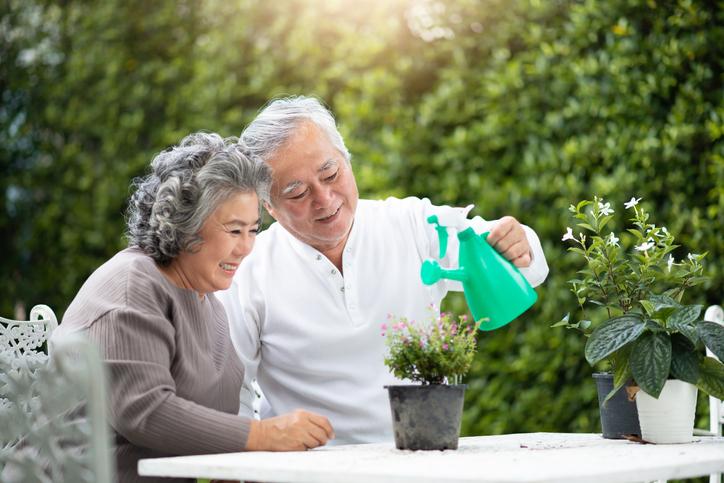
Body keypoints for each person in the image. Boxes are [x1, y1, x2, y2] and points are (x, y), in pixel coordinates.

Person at [218, 97, 550, 445]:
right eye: (297, 192)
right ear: (268, 205)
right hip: (308, 471)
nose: (324, 198)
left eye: (331, 174)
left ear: (347, 160)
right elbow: (233, 395)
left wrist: (519, 242)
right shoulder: (249, 271)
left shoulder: (412, 224)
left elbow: (524, 268)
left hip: (422, 458)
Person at [53, 132, 334, 483]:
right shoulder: (131, 285)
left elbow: (209, 425)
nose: (247, 247)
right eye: (234, 230)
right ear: (184, 225)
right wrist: (262, 436)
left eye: (252, 230)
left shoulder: (209, 304)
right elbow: (145, 411)